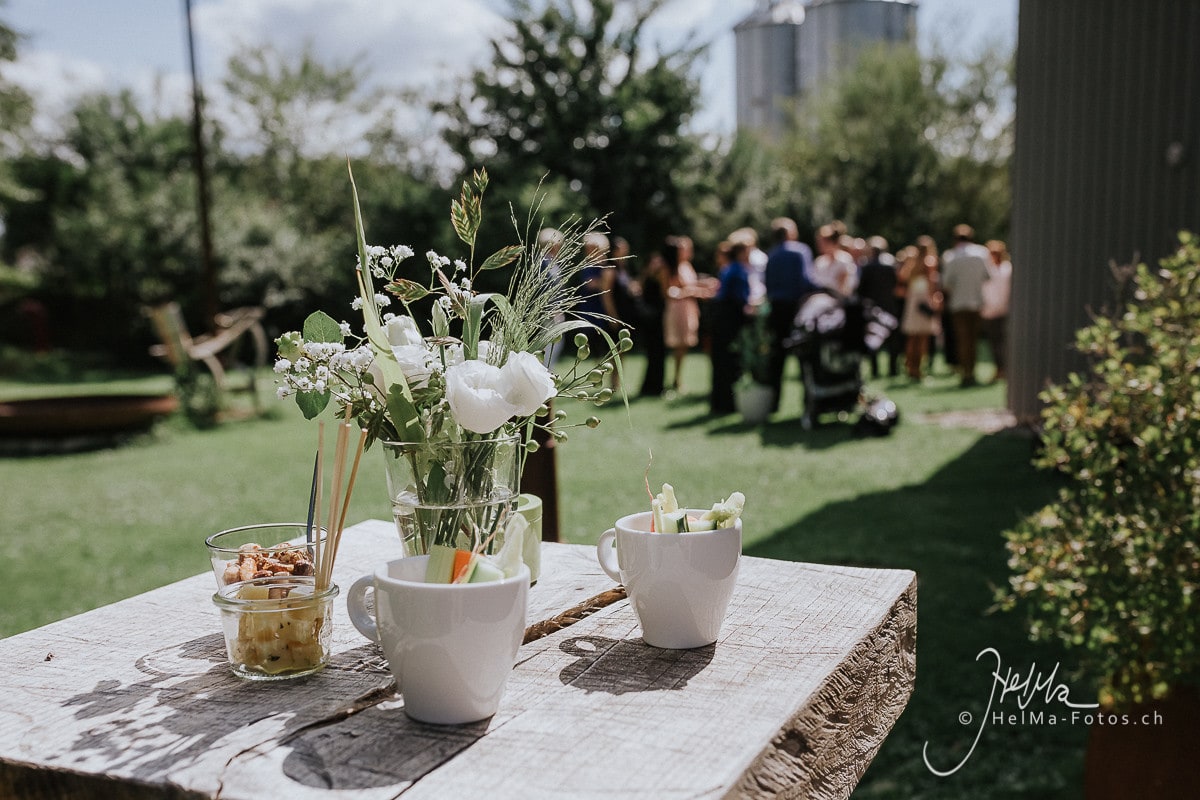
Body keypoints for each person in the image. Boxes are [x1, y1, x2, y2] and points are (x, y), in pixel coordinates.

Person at [763, 217, 816, 412]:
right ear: (790, 233)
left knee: (777, 359)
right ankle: (809, 401)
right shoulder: (800, 251)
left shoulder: (771, 254)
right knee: (805, 356)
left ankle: (773, 404)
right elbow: (806, 280)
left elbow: (767, 284)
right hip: (797, 309)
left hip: (777, 310)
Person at [662, 235, 715, 394]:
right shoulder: (671, 267)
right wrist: (695, 291)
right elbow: (670, 291)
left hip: (688, 308)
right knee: (678, 344)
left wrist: (703, 285)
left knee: (684, 344)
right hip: (678, 308)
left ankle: (677, 379)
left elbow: (689, 285)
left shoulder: (686, 266)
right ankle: (676, 380)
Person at [940, 224, 992, 387]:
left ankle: (966, 374)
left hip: (959, 304)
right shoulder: (982, 254)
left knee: (963, 340)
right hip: (976, 302)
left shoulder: (951, 256)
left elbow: (946, 283)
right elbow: (988, 276)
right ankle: (972, 372)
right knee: (973, 340)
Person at [710, 240, 752, 415]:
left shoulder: (728, 269)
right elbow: (742, 298)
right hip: (732, 319)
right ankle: (729, 403)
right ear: (741, 253)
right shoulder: (739, 270)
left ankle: (719, 402)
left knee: (720, 362)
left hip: (721, 318)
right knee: (731, 361)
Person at [856, 235, 900, 378]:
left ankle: (875, 371)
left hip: (872, 307)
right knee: (893, 340)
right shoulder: (890, 266)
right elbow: (896, 285)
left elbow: (861, 289)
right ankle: (893, 369)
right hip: (889, 305)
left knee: (873, 338)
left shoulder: (866, 267)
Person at [899, 246, 941, 380]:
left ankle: (910, 367)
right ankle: (918, 370)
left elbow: (902, 279)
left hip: (913, 302)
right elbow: (932, 283)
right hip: (924, 302)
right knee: (922, 338)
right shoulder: (929, 262)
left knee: (912, 338)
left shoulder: (911, 264)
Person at [981, 239, 1013, 382]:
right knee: (995, 342)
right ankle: (1000, 369)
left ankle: (1007, 369)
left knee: (1005, 341)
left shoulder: (1008, 268)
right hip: (990, 310)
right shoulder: (986, 269)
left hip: (1006, 310)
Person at [637, 251, 668, 397]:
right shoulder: (650, 276)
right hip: (651, 319)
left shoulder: (650, 276)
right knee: (654, 352)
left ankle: (654, 386)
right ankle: (653, 387)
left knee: (657, 353)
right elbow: (664, 294)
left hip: (656, 317)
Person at [812, 225, 859, 297]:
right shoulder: (819, 261)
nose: (819, 245)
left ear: (832, 242)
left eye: (823, 242)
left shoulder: (845, 260)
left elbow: (845, 289)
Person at [729, 226, 768, 307]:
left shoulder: (758, 258)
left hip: (757, 300)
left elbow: (760, 280)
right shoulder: (737, 266)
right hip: (750, 300)